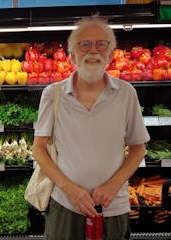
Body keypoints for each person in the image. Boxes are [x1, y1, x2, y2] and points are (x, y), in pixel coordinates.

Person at [32, 15, 150, 240]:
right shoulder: (53, 94)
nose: (92, 51)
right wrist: (69, 189)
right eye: (84, 44)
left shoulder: (126, 94)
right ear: (72, 55)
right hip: (65, 205)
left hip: (112, 206)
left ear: (110, 54)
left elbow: (138, 148)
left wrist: (113, 186)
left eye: (101, 44)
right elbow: (39, 149)